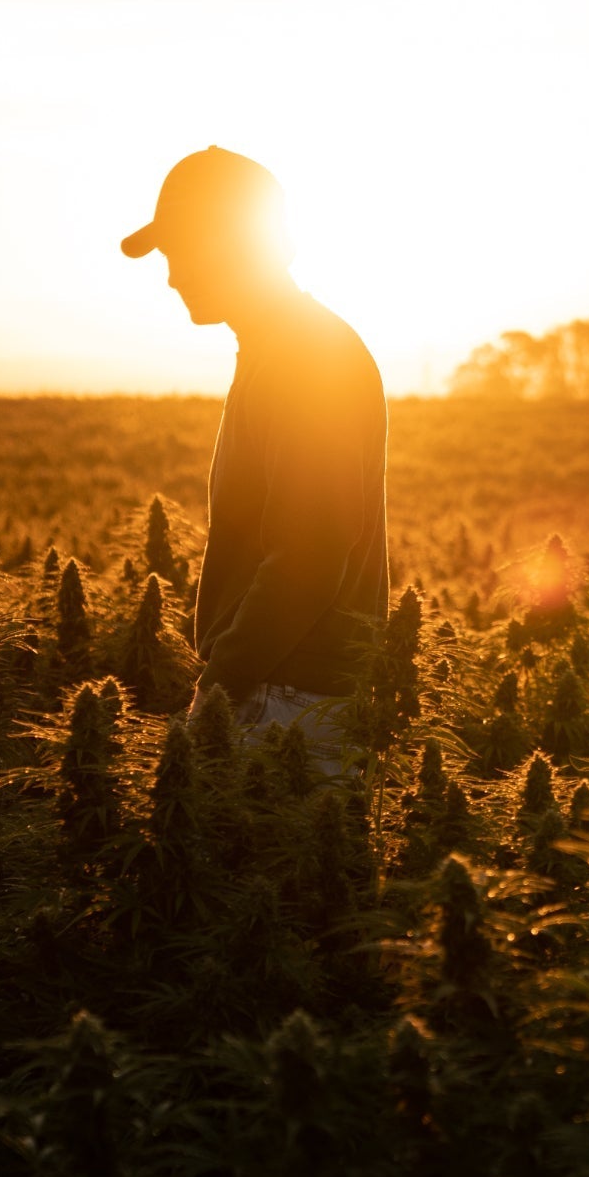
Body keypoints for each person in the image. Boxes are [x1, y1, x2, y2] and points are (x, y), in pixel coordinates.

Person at [120, 147, 388, 774]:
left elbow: (309, 554)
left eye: (179, 250)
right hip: (286, 688)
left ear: (226, 244)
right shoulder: (279, 347)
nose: (171, 276)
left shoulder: (306, 356)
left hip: (291, 698)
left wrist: (219, 688)